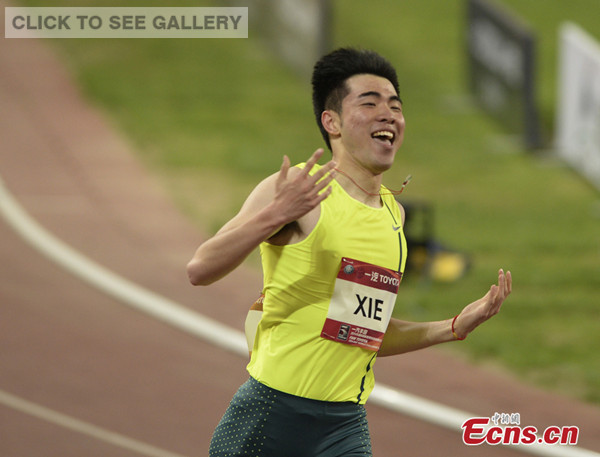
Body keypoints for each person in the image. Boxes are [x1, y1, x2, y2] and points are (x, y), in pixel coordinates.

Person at [187, 47, 512, 457]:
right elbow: (201, 267)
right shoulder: (298, 189)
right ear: (332, 122)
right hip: (270, 416)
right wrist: (276, 214)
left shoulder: (393, 215)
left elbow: (363, 333)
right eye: (370, 103)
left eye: (395, 106)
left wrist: (453, 326)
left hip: (344, 425)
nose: (387, 115)